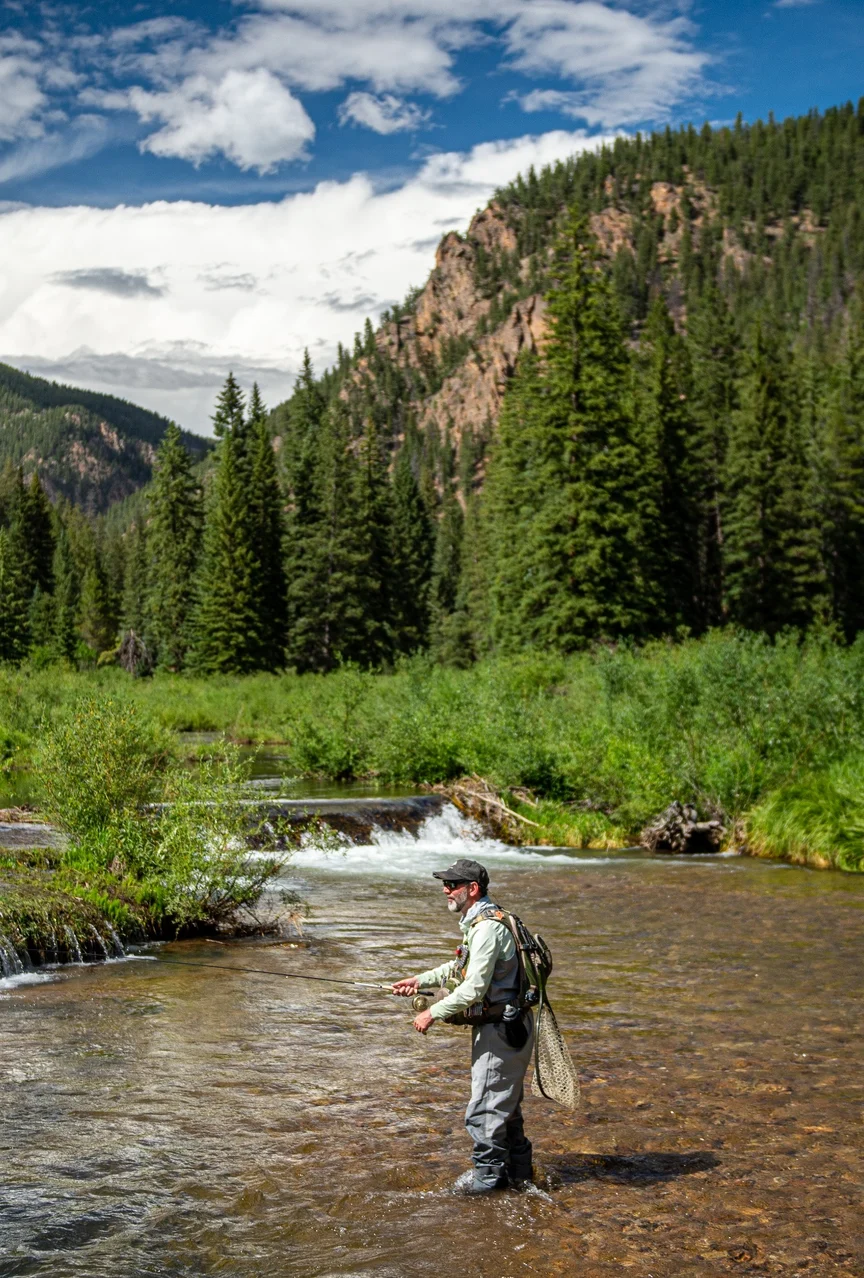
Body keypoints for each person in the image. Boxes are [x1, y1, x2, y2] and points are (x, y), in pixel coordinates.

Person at [392, 857, 534, 1195]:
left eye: (452, 884)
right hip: (511, 1025)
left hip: (501, 1031)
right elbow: (459, 966)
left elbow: (473, 989)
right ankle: (522, 1184)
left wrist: (432, 1012)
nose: (445, 889)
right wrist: (420, 979)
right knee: (505, 1110)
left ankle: (487, 1192)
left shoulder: (487, 928)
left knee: (484, 1113)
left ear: (472, 889)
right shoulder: (489, 919)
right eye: (445, 883)